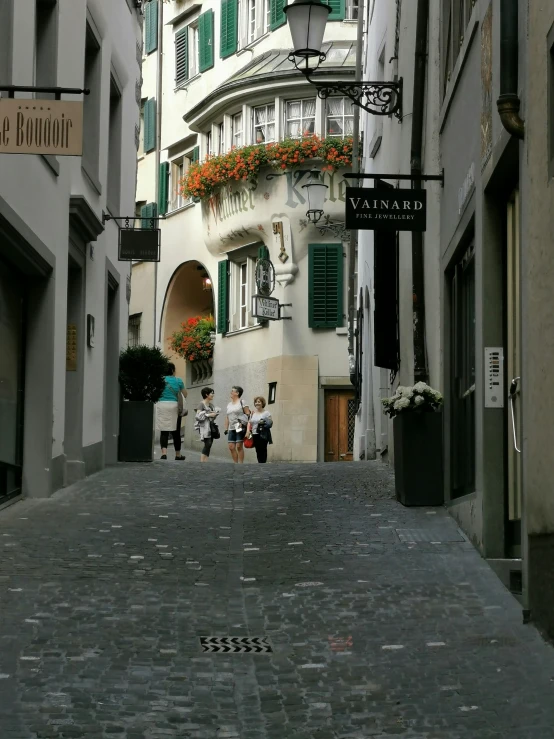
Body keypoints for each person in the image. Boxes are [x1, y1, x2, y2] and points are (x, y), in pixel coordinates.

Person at [156, 362, 187, 460]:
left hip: (162, 405)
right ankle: (178, 455)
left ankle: (164, 454)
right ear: (173, 370)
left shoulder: (159, 380)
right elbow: (185, 394)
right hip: (174, 406)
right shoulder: (178, 381)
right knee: (176, 431)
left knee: (164, 431)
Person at [224, 385, 250, 463]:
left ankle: (240, 464)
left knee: (239, 446)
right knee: (231, 447)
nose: (231, 392)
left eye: (232, 391)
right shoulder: (229, 404)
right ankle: (235, 463)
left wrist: (246, 426)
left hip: (239, 426)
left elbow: (248, 414)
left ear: (237, 393)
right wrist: (226, 428)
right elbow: (227, 417)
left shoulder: (242, 402)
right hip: (231, 427)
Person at [194, 387, 220, 462]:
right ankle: (202, 461)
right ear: (206, 394)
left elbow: (212, 417)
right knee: (207, 443)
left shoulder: (211, 405)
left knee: (210, 443)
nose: (213, 394)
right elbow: (198, 416)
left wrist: (215, 414)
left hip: (211, 426)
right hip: (204, 427)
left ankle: (206, 461)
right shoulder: (201, 404)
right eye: (211, 393)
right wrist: (208, 415)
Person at [246, 396, 273, 463]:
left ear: (262, 403)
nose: (257, 403)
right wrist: (248, 431)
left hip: (263, 434)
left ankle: (262, 464)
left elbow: (270, 423)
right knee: (258, 450)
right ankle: (260, 464)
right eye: (256, 402)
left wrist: (263, 422)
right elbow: (249, 422)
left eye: (259, 402)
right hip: (255, 434)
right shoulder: (253, 413)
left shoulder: (266, 413)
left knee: (263, 450)